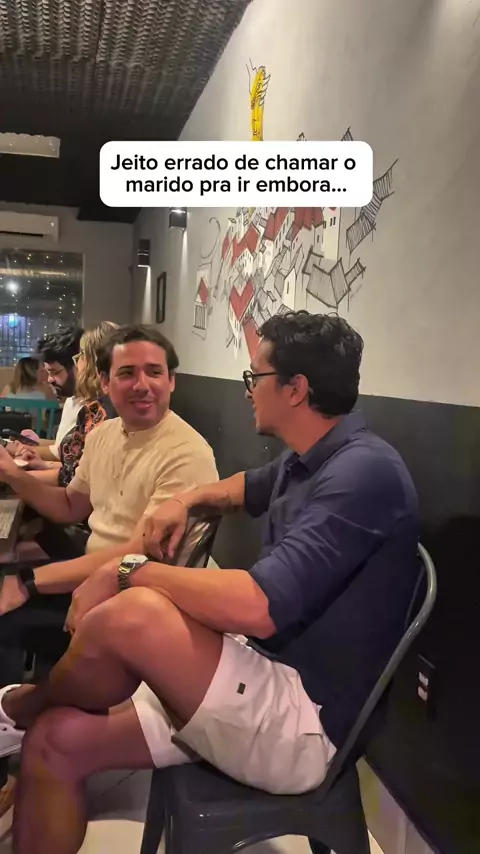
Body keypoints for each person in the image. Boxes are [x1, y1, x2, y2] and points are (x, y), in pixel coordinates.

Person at [0, 311, 419, 854]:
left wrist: (126, 569)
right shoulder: (311, 457)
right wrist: (186, 500)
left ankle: (24, 706)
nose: (248, 390)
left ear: (295, 389)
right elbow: (241, 488)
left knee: (134, 610)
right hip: (266, 668)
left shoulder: (362, 473)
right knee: (53, 743)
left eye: (255, 376)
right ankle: (29, 717)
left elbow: (259, 606)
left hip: (308, 722)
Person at [17, 322, 119, 487]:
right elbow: (74, 469)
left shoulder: (106, 412)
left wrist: (13, 476)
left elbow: (81, 483)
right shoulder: (90, 409)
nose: (79, 364)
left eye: (80, 357)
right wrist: (43, 465)